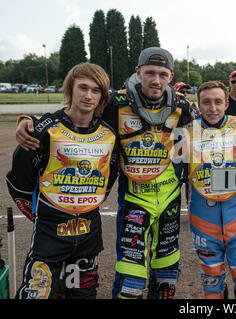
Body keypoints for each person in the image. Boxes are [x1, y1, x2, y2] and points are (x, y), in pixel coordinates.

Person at [15, 47, 192, 299]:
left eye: (162, 74)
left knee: (166, 275)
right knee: (130, 280)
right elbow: (74, 113)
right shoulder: (116, 103)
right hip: (133, 200)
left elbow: (202, 133)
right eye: (150, 73)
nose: (156, 80)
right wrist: (29, 120)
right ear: (138, 72)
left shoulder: (182, 106)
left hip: (168, 200)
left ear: (171, 76)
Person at [6, 62, 118, 299]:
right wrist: (41, 215)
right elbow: (18, 182)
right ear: (71, 89)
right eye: (83, 88)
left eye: (96, 90)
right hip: (50, 231)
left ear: (102, 96)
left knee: (83, 295)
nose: (88, 96)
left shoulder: (109, 134)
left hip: (89, 232)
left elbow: (109, 179)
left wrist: (84, 202)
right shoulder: (43, 129)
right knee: (36, 293)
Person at [177, 81, 236, 299]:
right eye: (206, 102)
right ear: (198, 105)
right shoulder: (186, 132)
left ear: (226, 103)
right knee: (212, 281)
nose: (212, 108)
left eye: (218, 102)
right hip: (203, 218)